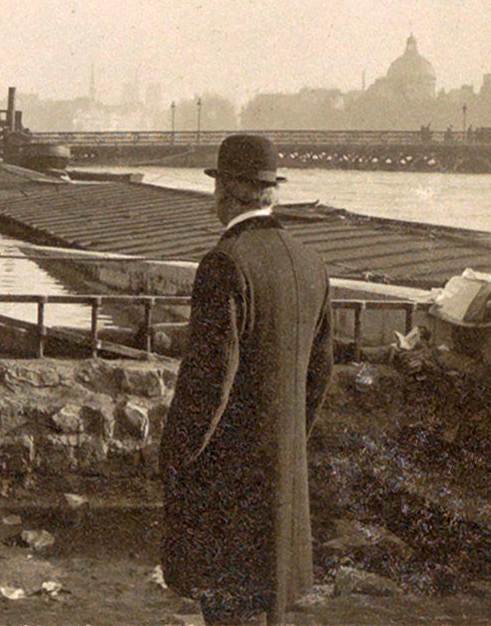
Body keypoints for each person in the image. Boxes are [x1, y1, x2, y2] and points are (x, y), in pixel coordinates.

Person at [156, 134, 333, 626]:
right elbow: (320, 375)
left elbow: (208, 383)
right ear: (269, 192)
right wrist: (290, 441)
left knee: (228, 612)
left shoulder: (225, 264)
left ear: (225, 193)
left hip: (229, 488)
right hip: (283, 484)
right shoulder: (311, 264)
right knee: (269, 611)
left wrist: (174, 458)